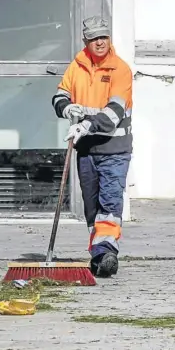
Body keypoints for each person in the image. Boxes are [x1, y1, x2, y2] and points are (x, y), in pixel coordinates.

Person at [52, 16, 133, 278]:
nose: (100, 42)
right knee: (91, 206)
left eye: (104, 37)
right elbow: (60, 95)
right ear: (85, 41)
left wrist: (85, 126)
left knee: (109, 202)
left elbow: (114, 112)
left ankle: (106, 251)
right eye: (94, 38)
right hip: (86, 151)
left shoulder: (119, 70)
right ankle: (99, 254)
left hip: (114, 149)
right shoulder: (77, 67)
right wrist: (67, 108)